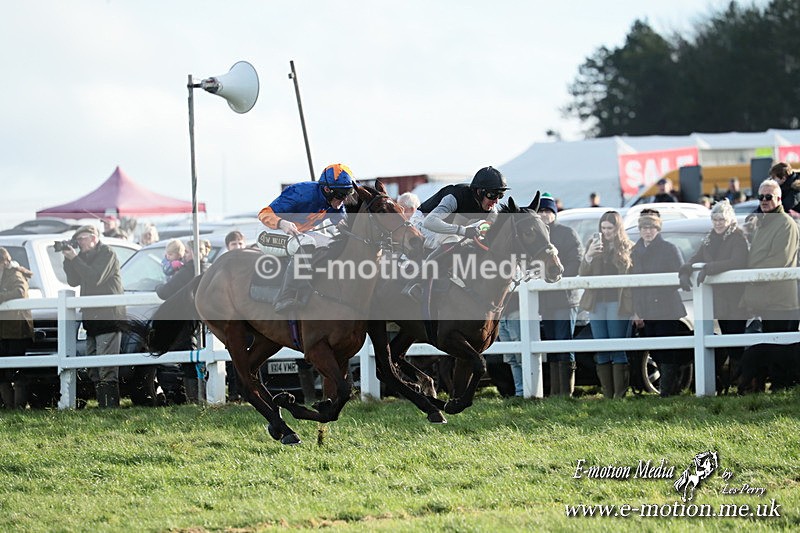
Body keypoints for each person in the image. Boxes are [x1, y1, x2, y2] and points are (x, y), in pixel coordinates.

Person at [259, 163, 353, 314]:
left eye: (347, 195)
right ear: (327, 190)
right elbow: (263, 214)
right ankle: (285, 296)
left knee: (331, 244)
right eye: (341, 196)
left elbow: (341, 223)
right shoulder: (300, 193)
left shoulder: (334, 200)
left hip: (300, 233)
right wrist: (281, 223)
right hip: (270, 232)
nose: (343, 201)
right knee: (307, 243)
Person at [678, 199, 749, 393]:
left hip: (735, 299)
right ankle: (728, 385)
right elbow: (696, 257)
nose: (718, 222)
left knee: (735, 342)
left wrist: (710, 268)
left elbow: (737, 261)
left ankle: (741, 386)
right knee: (725, 339)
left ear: (729, 220)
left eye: (721, 219)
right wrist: (685, 270)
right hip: (719, 301)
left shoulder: (737, 237)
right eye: (715, 219)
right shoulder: (710, 238)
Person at [738, 179, 800, 393]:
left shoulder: (786, 224)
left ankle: (783, 388)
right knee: (771, 346)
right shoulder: (763, 223)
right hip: (765, 299)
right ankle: (774, 385)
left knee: (783, 349)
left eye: (768, 197)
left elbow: (779, 260)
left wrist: (750, 272)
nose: (764, 201)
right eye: (761, 197)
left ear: (779, 199)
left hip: (782, 299)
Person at [62, 225, 125, 407]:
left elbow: (95, 277)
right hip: (92, 319)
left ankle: (110, 406)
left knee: (106, 366)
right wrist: (68, 260)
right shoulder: (82, 257)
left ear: (94, 237)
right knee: (92, 367)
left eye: (82, 239)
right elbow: (73, 280)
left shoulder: (108, 253)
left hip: (108, 317)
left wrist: (75, 259)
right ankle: (102, 403)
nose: (79, 243)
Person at [630, 209, 687, 397]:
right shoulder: (634, 251)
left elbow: (679, 276)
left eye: (652, 227)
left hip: (666, 308)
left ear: (658, 229)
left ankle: (668, 391)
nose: (648, 231)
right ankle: (670, 388)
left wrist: (657, 295)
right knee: (654, 351)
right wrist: (636, 311)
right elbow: (631, 284)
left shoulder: (669, 249)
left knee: (667, 351)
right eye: (644, 227)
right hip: (645, 309)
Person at [579, 211, 633, 399]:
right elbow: (582, 274)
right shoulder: (593, 246)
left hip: (617, 304)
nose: (606, 232)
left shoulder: (627, 247)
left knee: (617, 347)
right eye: (603, 228)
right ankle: (607, 394)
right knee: (601, 348)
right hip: (597, 303)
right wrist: (589, 256)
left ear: (617, 229)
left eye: (610, 228)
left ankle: (620, 395)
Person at [156, 239, 212, 403]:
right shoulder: (208, 266)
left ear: (195, 253)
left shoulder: (189, 270)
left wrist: (157, 287)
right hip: (202, 318)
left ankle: (193, 397)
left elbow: (166, 291)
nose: (184, 256)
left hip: (188, 318)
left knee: (189, 357)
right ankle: (199, 394)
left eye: (187, 252)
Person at [537, 193, 582, 397]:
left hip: (565, 298)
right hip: (545, 300)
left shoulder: (567, 233)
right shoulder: (536, 235)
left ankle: (566, 392)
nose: (545, 215)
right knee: (552, 343)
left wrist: (557, 277)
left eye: (548, 211)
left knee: (565, 341)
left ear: (554, 213)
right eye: (541, 211)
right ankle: (555, 391)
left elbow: (576, 260)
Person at [414, 166, 507, 251]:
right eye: (492, 195)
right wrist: (463, 231)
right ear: (479, 192)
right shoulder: (456, 196)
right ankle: (428, 268)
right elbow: (429, 222)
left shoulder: (491, 211)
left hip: (446, 229)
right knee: (452, 239)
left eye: (500, 195)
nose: (496, 201)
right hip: (421, 223)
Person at [0, 248, 34, 409]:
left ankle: (18, 406)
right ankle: (9, 406)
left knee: (16, 370)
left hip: (16, 330)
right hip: (5, 330)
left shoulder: (15, 274)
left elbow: (20, 292)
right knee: (2, 371)